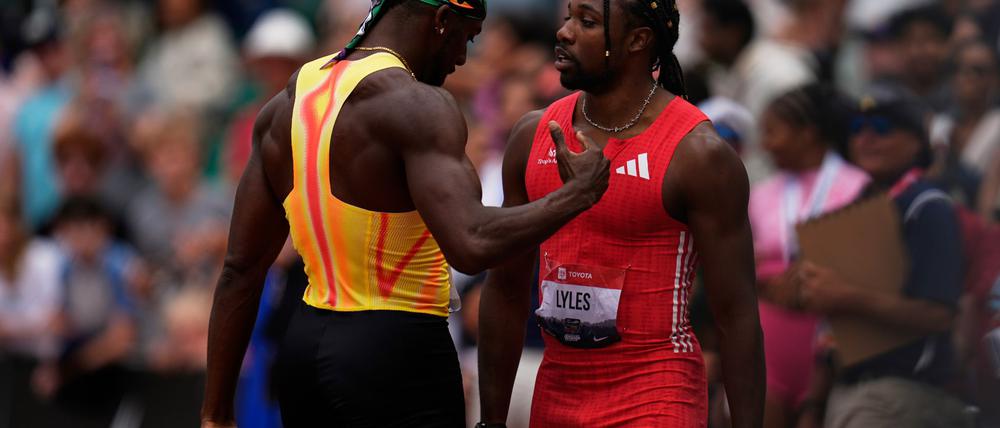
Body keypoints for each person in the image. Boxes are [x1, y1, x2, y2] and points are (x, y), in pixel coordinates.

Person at [200, 0, 612, 427]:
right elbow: (471, 243)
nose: (460, 59)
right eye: (465, 38)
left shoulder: (286, 105)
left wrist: (215, 412)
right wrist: (575, 195)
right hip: (396, 352)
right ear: (441, 21)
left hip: (304, 351)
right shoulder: (417, 105)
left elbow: (239, 269)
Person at [477, 0, 764, 426]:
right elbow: (505, 291)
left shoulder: (697, 155)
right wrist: (491, 421)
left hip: (655, 395)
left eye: (587, 22)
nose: (565, 32)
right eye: (567, 17)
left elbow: (736, 315)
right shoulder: (532, 136)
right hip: (555, 395)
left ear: (637, 40)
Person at [797, 85, 969, 428]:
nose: (866, 139)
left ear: (917, 140)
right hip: (847, 390)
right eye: (857, 129)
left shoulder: (927, 205)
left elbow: (938, 315)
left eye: (882, 128)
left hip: (903, 392)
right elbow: (832, 324)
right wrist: (812, 405)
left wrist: (846, 297)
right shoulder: (857, 206)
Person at [747, 84, 869, 428]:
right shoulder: (761, 194)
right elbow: (743, 265)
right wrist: (764, 279)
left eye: (773, 132)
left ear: (808, 133)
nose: (765, 144)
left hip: (832, 340)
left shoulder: (858, 186)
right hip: (770, 339)